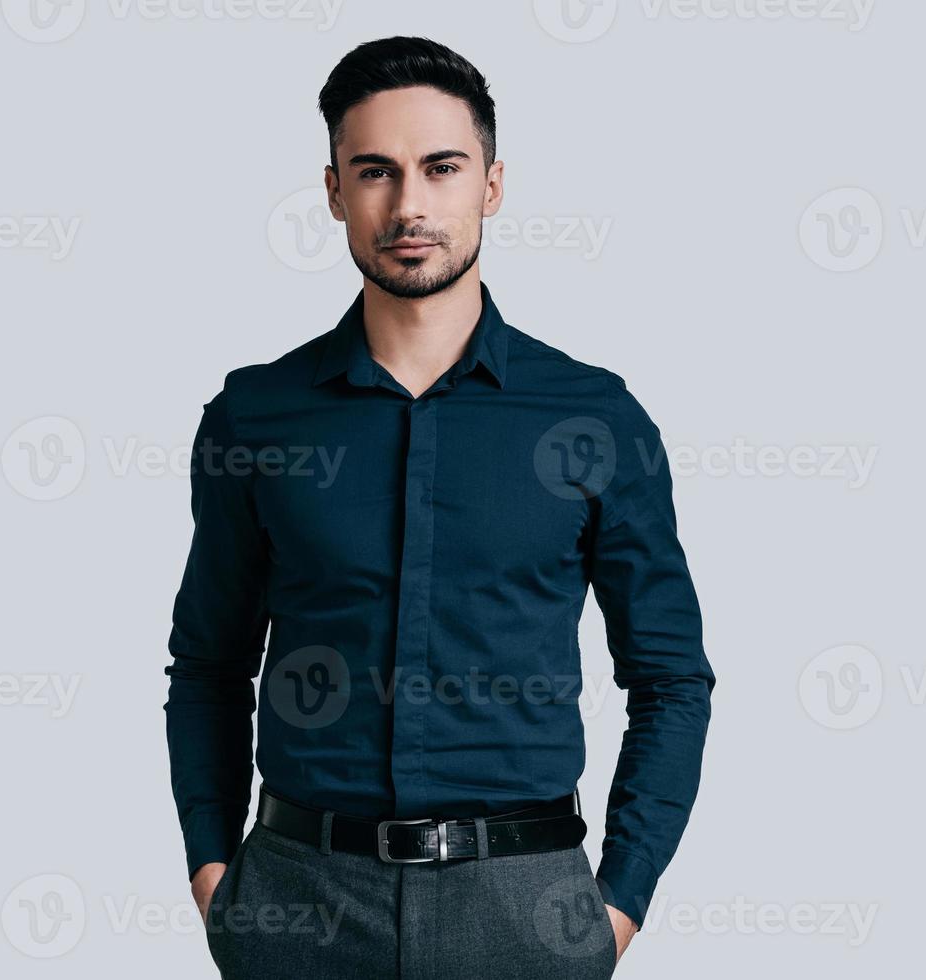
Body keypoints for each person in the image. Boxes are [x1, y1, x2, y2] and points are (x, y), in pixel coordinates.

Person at [164, 35, 715, 979]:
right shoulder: (256, 415)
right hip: (300, 902)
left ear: (491, 186)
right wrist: (218, 877)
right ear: (334, 191)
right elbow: (210, 664)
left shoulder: (593, 417)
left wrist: (616, 906)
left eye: (441, 168)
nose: (408, 204)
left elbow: (669, 678)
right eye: (374, 171)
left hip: (524, 906)